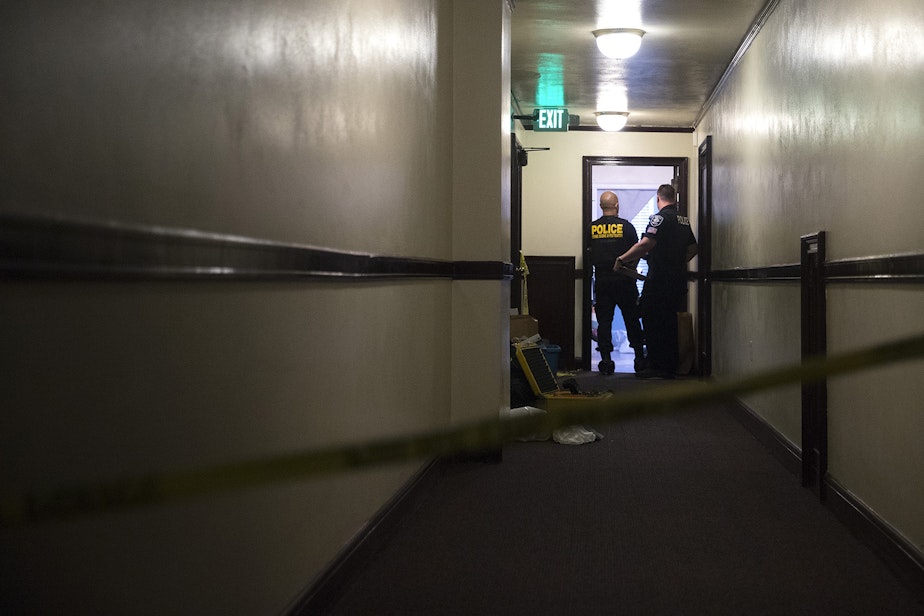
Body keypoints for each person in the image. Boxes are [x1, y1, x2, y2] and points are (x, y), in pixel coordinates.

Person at [615, 184, 697, 379]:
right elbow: (693, 248)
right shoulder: (683, 220)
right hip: (677, 280)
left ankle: (655, 364)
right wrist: (676, 263)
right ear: (674, 198)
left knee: (652, 319)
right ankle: (669, 365)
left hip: (659, 279)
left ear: (658, 198)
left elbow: (645, 244)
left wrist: (621, 259)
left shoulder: (659, 218)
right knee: (669, 321)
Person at [589, 191, 645, 375]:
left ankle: (605, 360)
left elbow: (589, 255)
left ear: (600, 206)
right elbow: (638, 251)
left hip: (603, 281)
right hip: (624, 280)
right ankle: (639, 358)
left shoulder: (592, 228)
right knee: (632, 319)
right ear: (617, 205)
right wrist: (630, 269)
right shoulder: (627, 227)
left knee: (604, 322)